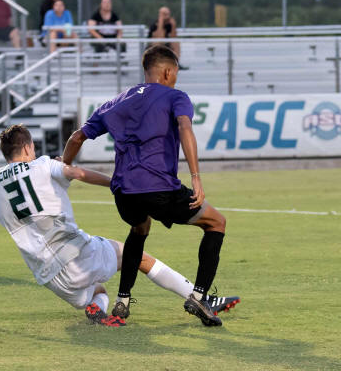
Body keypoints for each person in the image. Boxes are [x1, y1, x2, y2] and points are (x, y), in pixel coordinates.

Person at [0, 124, 239, 326]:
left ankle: (98, 309)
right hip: (77, 253)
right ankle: (201, 298)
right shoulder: (43, 164)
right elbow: (78, 173)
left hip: (50, 276)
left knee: (98, 290)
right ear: (27, 147)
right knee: (139, 258)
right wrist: (115, 184)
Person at [62, 45, 230, 327]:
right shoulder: (176, 96)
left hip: (124, 194)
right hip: (159, 188)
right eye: (175, 74)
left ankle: (123, 300)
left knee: (139, 228)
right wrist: (196, 177)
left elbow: (78, 136)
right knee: (216, 222)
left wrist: (63, 165)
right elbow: (185, 127)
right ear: (167, 72)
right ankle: (199, 296)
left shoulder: (118, 101)